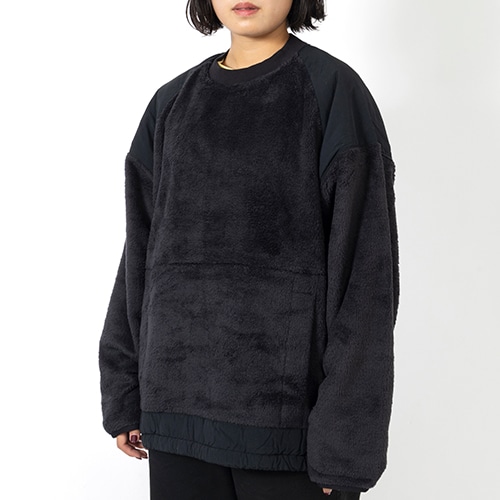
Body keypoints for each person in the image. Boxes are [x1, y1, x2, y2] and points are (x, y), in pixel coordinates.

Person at [98, 1, 399, 499]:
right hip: (175, 417)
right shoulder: (171, 104)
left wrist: (345, 447)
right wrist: (124, 391)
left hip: (288, 430)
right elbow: (140, 260)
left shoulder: (332, 91)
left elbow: (365, 281)